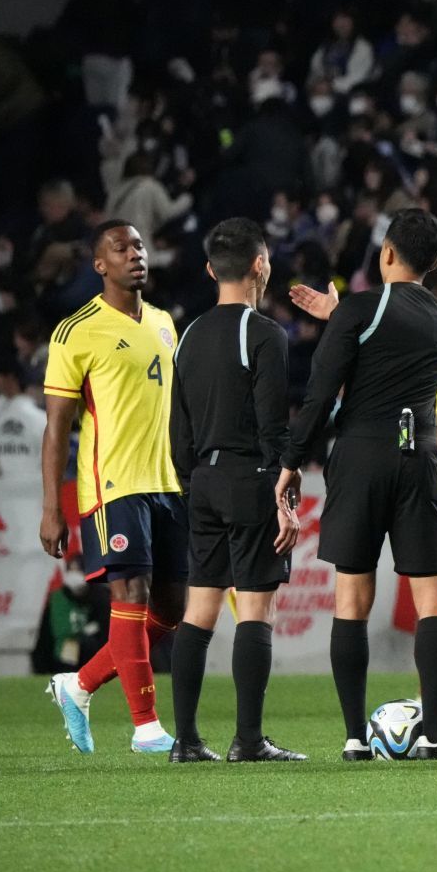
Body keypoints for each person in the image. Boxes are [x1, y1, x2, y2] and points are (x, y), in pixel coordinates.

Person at [278, 208, 437, 760]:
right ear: (436, 263)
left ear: (387, 253)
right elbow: (394, 351)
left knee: (352, 596)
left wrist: (292, 461)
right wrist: (344, 315)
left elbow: (322, 393)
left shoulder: (361, 310)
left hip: (362, 454)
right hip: (419, 455)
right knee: (434, 600)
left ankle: (354, 738)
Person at [40, 221, 187, 756]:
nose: (135, 254)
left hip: (166, 484)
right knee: (130, 595)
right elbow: (57, 426)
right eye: (120, 248)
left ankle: (76, 686)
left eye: (140, 245)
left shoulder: (166, 324)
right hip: (112, 484)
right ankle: (145, 726)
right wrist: (52, 507)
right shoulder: (76, 331)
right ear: (99, 264)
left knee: (170, 607)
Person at [164, 218, 306, 763]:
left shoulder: (190, 335)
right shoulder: (264, 334)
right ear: (260, 265)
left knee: (198, 612)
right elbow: (273, 426)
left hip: (201, 481)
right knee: (255, 611)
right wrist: (283, 493)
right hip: (251, 478)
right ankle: (248, 740)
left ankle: (187, 741)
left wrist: (192, 483)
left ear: (208, 269)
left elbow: (179, 430)